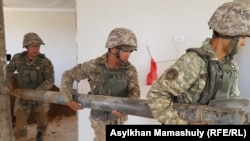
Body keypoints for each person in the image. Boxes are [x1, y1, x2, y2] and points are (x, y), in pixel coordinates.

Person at [146, 2, 250, 125]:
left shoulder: (231, 67)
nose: (244, 43)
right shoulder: (193, 62)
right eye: (242, 37)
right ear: (226, 33)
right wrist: (183, 124)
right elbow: (156, 95)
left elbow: (231, 103)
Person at [60, 27, 140, 141]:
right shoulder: (94, 66)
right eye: (125, 50)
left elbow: (135, 92)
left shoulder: (130, 69)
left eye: (130, 51)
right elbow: (68, 75)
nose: (128, 55)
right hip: (99, 118)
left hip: (119, 118)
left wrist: (126, 107)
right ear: (113, 48)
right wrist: (68, 100)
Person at [6, 32, 55, 141]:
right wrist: (9, 83)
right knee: (20, 126)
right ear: (26, 47)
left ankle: (40, 133)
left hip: (40, 98)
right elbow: (8, 70)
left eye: (37, 46)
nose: (35, 50)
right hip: (23, 97)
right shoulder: (18, 58)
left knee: (42, 121)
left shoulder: (45, 62)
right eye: (32, 46)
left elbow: (50, 80)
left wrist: (36, 93)